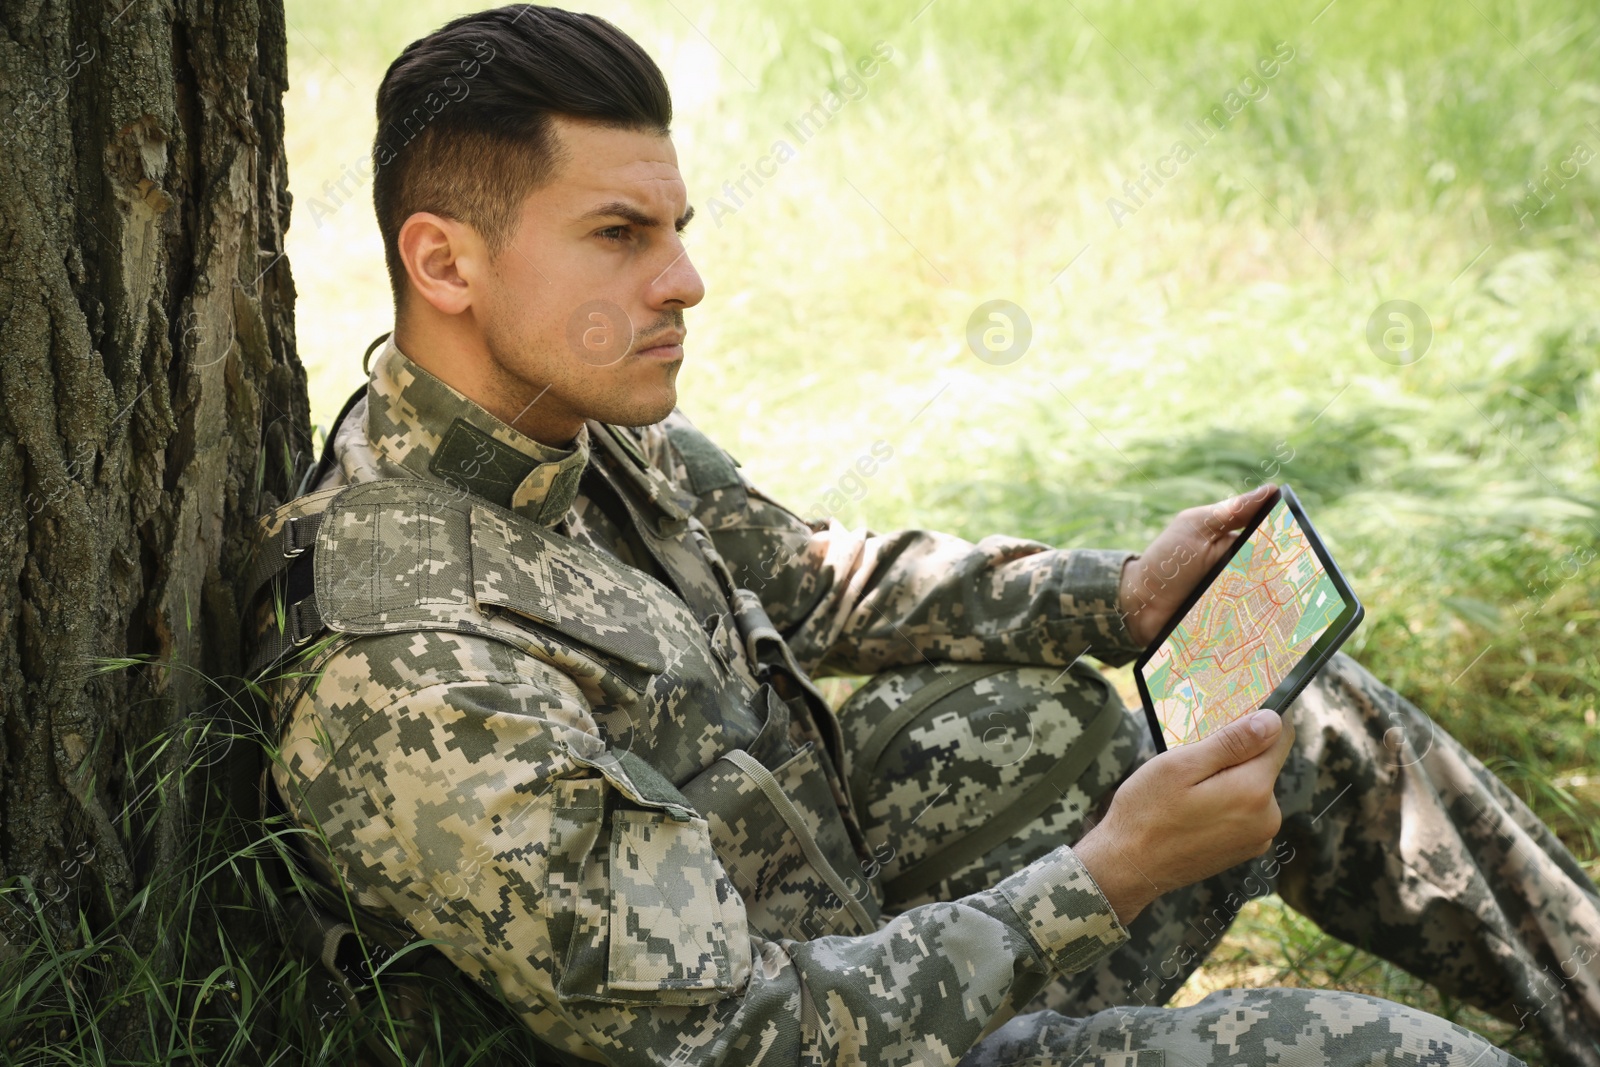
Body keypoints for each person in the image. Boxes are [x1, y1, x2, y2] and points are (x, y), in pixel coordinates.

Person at [245, 5, 1600, 1065]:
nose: (686, 280)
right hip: (785, 1032)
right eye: (619, 233)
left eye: (677, 227)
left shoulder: (566, 425)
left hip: (839, 923)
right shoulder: (409, 666)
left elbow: (809, 577)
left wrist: (1118, 599)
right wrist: (1105, 877)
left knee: (1298, 716)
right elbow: (731, 1041)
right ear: (445, 264)